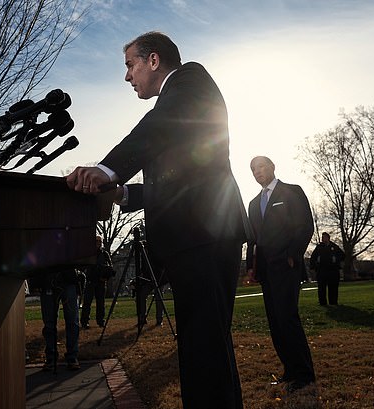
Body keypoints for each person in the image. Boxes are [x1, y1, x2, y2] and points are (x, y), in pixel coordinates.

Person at [66, 31, 248, 408]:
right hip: (198, 237)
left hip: (205, 235)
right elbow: (183, 177)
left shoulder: (189, 80)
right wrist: (126, 194)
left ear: (153, 60)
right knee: (207, 349)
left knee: (204, 352)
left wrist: (107, 169)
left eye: (130, 65)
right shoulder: (175, 112)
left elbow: (157, 129)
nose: (127, 76)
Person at [245, 155, 316, 393]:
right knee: (275, 322)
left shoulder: (292, 191)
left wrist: (293, 255)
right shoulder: (254, 203)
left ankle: (305, 374)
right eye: (253, 170)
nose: (258, 172)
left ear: (273, 167)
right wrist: (250, 268)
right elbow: (252, 240)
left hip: (287, 265)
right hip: (265, 271)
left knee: (287, 317)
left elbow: (305, 225)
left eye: (261, 167)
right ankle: (290, 371)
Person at [33, 269, 82, 371]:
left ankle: (70, 356)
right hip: (49, 279)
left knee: (71, 321)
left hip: (67, 279)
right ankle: (53, 357)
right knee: (50, 323)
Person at [80, 235, 114, 329]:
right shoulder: (88, 254)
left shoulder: (105, 254)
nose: (98, 243)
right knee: (87, 302)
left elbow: (110, 266)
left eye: (99, 242)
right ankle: (84, 321)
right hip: (90, 280)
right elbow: (83, 266)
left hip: (101, 281)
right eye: (96, 242)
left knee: (101, 302)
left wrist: (106, 276)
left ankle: (100, 321)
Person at [310, 232, 345, 306]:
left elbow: (343, 256)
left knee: (333, 287)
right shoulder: (319, 247)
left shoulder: (334, 247)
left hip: (333, 271)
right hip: (321, 271)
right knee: (321, 288)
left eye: (324, 237)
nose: (323, 239)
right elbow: (313, 258)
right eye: (322, 238)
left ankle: (333, 302)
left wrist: (336, 260)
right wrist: (314, 267)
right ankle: (322, 303)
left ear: (328, 238)